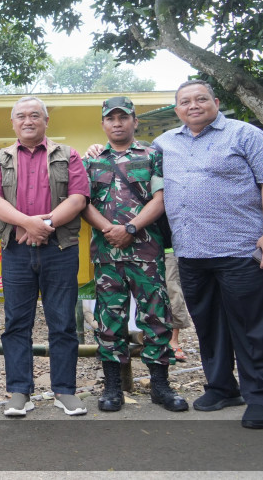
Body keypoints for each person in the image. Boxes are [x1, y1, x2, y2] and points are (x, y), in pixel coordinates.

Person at [154, 80, 263, 429]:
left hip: (243, 250)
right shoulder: (164, 143)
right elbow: (134, 163)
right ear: (177, 109)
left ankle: (262, 397)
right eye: (185, 101)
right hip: (191, 253)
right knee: (209, 326)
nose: (193, 105)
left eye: (201, 99)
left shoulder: (245, 135)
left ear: (215, 101)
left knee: (255, 327)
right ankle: (222, 387)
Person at [0, 96, 90, 417]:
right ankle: (19, 392)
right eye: (21, 116)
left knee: (62, 322)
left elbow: (78, 197)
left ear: (46, 121)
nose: (27, 121)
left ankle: (64, 391)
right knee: (16, 323)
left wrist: (43, 225)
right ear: (13, 123)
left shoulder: (68, 155)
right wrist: (28, 223)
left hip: (59, 250)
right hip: (16, 252)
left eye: (34, 116)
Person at [82, 96, 188, 413]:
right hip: (107, 254)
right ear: (103, 124)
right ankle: (113, 388)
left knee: (155, 318)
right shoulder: (91, 161)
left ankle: (160, 386)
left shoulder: (152, 156)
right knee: (109, 320)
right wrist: (108, 230)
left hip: (146, 251)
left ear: (134, 121)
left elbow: (161, 198)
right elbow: (82, 202)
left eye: (123, 117)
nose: (117, 123)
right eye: (111, 118)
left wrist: (129, 228)